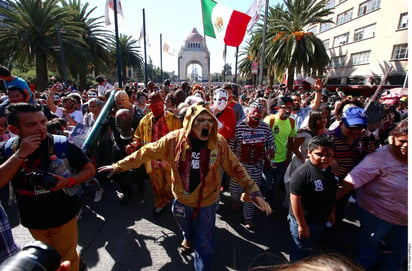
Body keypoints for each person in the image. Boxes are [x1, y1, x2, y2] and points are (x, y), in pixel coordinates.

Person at [98, 102, 272, 271]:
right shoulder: (174, 140)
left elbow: (235, 167)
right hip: (181, 198)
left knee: (204, 243)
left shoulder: (218, 143)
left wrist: (253, 190)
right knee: (184, 223)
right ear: (189, 122)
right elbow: (147, 152)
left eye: (209, 121)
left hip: (207, 201)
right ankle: (188, 236)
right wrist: (118, 165)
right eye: (200, 121)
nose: (206, 125)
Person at [0, 103, 95, 271]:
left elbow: (89, 170)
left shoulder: (61, 145)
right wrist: (20, 155)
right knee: (46, 261)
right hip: (33, 220)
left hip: (63, 216)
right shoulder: (7, 150)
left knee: (68, 258)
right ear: (14, 130)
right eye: (31, 125)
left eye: (43, 122)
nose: (41, 128)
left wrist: (68, 181)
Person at [337, 119, 407, 270]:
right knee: (368, 251)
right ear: (393, 138)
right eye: (403, 141)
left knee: (398, 255)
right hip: (377, 216)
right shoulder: (378, 158)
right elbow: (351, 181)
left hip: (406, 222)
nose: (406, 146)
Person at [126, 92, 181, 214]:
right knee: (157, 185)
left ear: (163, 104)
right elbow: (137, 137)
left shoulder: (173, 119)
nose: (157, 108)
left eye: (159, 105)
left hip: (168, 160)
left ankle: (173, 203)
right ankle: (160, 204)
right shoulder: (144, 121)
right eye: (153, 105)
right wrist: (133, 145)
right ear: (149, 105)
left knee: (171, 184)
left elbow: (181, 138)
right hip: (153, 161)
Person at [288, 135, 338, 262]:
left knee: (309, 249)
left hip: (320, 221)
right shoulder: (302, 174)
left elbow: (331, 193)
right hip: (305, 221)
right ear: (309, 153)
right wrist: (302, 224)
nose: (324, 159)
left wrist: (331, 211)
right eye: (319, 154)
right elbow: (295, 200)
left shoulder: (329, 170)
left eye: (328, 155)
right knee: (299, 252)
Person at [229, 101, 275, 230]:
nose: (256, 115)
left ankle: (247, 216)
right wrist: (230, 162)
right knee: (234, 190)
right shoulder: (238, 127)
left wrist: (271, 153)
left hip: (256, 168)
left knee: (252, 193)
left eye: (259, 113)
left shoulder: (266, 128)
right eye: (254, 112)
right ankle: (236, 200)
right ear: (248, 112)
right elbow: (231, 145)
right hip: (239, 168)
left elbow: (271, 143)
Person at [325, 106, 375, 225]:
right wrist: (329, 159)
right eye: (352, 128)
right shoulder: (328, 138)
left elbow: (370, 159)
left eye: (360, 128)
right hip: (329, 186)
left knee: (338, 214)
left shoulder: (365, 139)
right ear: (342, 123)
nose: (356, 132)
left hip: (349, 186)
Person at [264, 97, 297, 210]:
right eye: (285, 108)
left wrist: (288, 158)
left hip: (282, 160)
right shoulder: (270, 120)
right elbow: (263, 140)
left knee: (275, 185)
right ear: (278, 108)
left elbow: (291, 140)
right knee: (267, 184)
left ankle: (269, 203)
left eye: (290, 108)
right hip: (269, 160)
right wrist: (266, 158)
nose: (288, 110)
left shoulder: (292, 122)